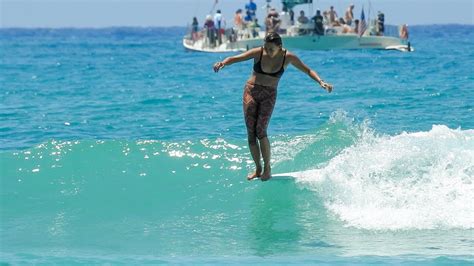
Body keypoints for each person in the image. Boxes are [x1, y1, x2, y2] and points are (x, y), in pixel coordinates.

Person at [212, 33, 333, 181]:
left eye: (270, 49)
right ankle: (258, 168)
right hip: (251, 91)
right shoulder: (259, 52)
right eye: (266, 47)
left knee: (261, 131)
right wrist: (223, 63)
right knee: (251, 133)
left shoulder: (288, 57)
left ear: (280, 47)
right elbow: (237, 58)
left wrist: (321, 82)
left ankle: (267, 168)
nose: (267, 51)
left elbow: (307, 70)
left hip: (269, 94)